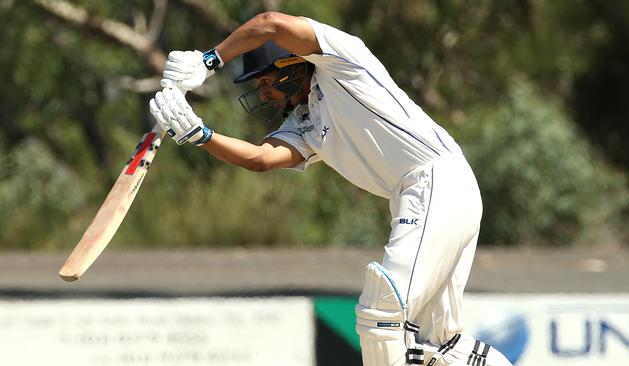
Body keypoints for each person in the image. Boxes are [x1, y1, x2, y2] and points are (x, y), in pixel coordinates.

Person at [149, 12, 513, 366]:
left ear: (291, 63)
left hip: (435, 180)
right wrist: (200, 134)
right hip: (430, 192)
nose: (264, 93)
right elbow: (261, 158)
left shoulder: (341, 61)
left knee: (380, 311)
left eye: (265, 81)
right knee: (441, 342)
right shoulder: (305, 122)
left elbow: (270, 24)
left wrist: (209, 60)